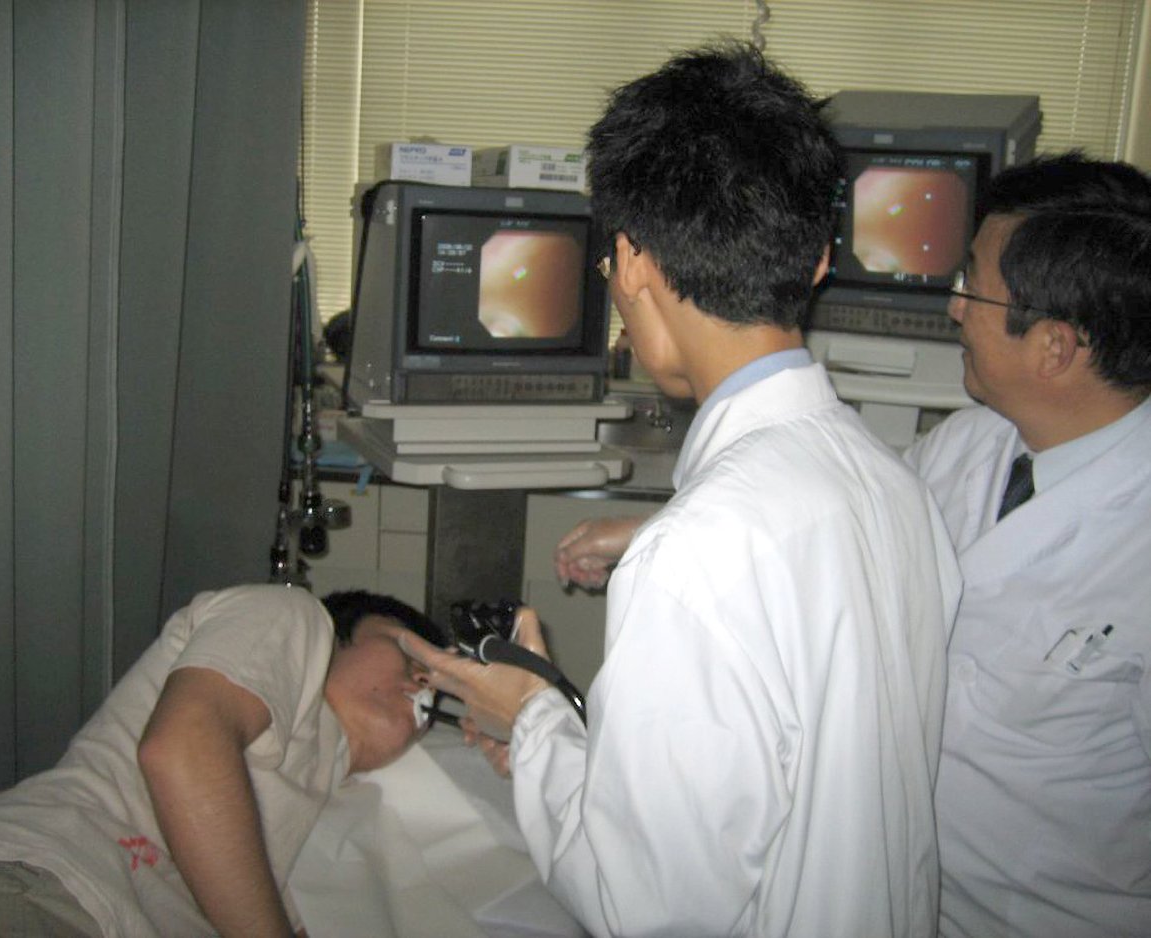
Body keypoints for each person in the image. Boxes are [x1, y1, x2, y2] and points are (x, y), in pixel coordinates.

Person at [402, 41, 961, 938]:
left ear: (630, 265)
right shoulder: (893, 485)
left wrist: (535, 717)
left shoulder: (694, 557)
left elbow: (646, 907)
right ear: (818, 259)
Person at [901, 152, 1151, 938]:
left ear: (1054, 347)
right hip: (905, 895)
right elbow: (844, 536)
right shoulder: (964, 446)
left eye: (971, 287)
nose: (953, 309)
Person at [0, 585, 445, 938]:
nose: (425, 678)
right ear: (342, 635)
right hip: (41, 882)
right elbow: (181, 747)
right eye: (409, 651)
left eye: (436, 680)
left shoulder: (336, 813)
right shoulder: (296, 621)